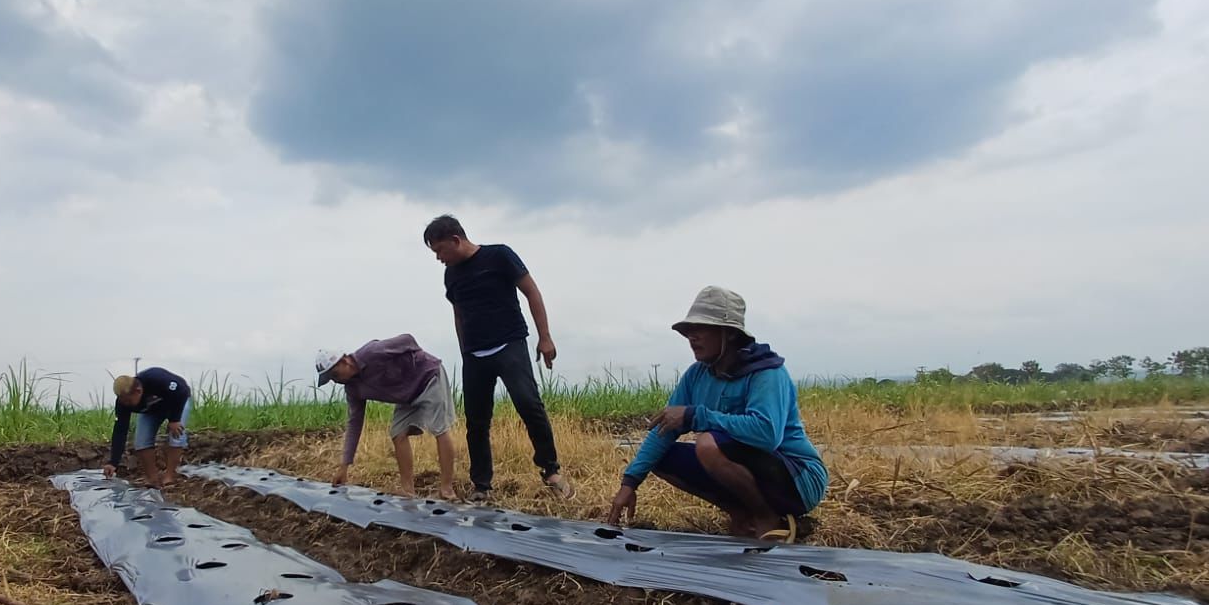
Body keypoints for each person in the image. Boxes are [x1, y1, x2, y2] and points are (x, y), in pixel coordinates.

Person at [605, 286, 827, 540]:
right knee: (663, 455)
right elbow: (662, 430)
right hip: (751, 470)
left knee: (708, 444)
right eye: (689, 331)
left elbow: (767, 435)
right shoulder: (696, 375)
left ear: (729, 334)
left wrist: (696, 416)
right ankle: (742, 514)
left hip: (797, 478)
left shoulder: (767, 373)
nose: (692, 337)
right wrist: (630, 483)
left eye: (701, 328)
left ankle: (767, 517)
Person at [423, 214, 571, 502]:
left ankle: (551, 471)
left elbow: (532, 292)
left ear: (456, 240)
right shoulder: (451, 275)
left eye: (440, 250)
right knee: (477, 422)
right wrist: (465, 351)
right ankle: (481, 486)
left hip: (509, 344)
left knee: (529, 405)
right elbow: (458, 314)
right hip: (475, 355)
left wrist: (545, 337)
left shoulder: (499, 255)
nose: (439, 258)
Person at [316, 335, 458, 499]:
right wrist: (344, 465)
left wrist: (411, 365)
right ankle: (408, 490)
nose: (335, 381)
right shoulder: (353, 389)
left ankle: (447, 489)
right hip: (406, 396)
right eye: (330, 379)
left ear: (344, 361)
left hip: (428, 378)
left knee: (439, 429)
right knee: (398, 434)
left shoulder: (372, 352)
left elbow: (408, 340)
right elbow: (354, 424)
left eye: (334, 375)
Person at [104, 367, 192, 485]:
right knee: (141, 442)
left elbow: (182, 391)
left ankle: (169, 476)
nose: (126, 405)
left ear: (138, 391)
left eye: (129, 402)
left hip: (177, 401)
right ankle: (152, 478)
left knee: (177, 436)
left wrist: (174, 419)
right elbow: (120, 430)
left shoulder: (155, 379)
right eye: (123, 402)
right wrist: (113, 462)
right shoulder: (123, 403)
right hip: (152, 410)